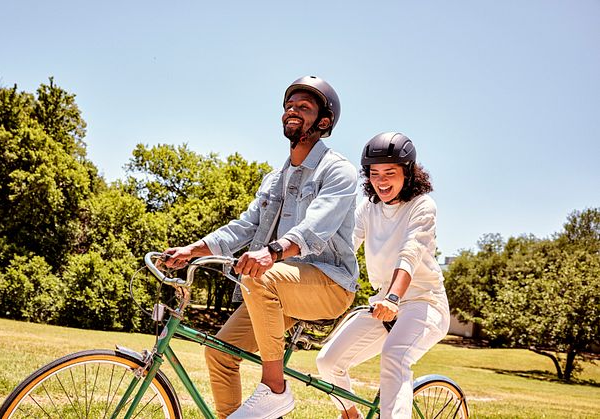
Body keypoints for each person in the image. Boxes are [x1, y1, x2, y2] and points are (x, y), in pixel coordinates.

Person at [163, 76, 359, 419]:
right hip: (277, 289)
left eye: (303, 107)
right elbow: (244, 226)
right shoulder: (273, 180)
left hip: (329, 284)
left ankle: (275, 388)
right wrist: (192, 250)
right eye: (288, 106)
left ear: (323, 122)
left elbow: (316, 226)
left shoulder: (338, 171)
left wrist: (272, 252)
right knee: (221, 354)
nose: (292, 111)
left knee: (262, 275)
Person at [315, 132, 450, 419]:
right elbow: (346, 247)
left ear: (408, 173)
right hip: (382, 306)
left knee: (394, 357)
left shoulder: (422, 206)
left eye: (390, 172)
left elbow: (410, 253)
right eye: (374, 173)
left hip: (423, 304)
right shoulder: (368, 208)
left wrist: (393, 297)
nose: (382, 181)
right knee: (328, 362)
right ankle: (352, 416)